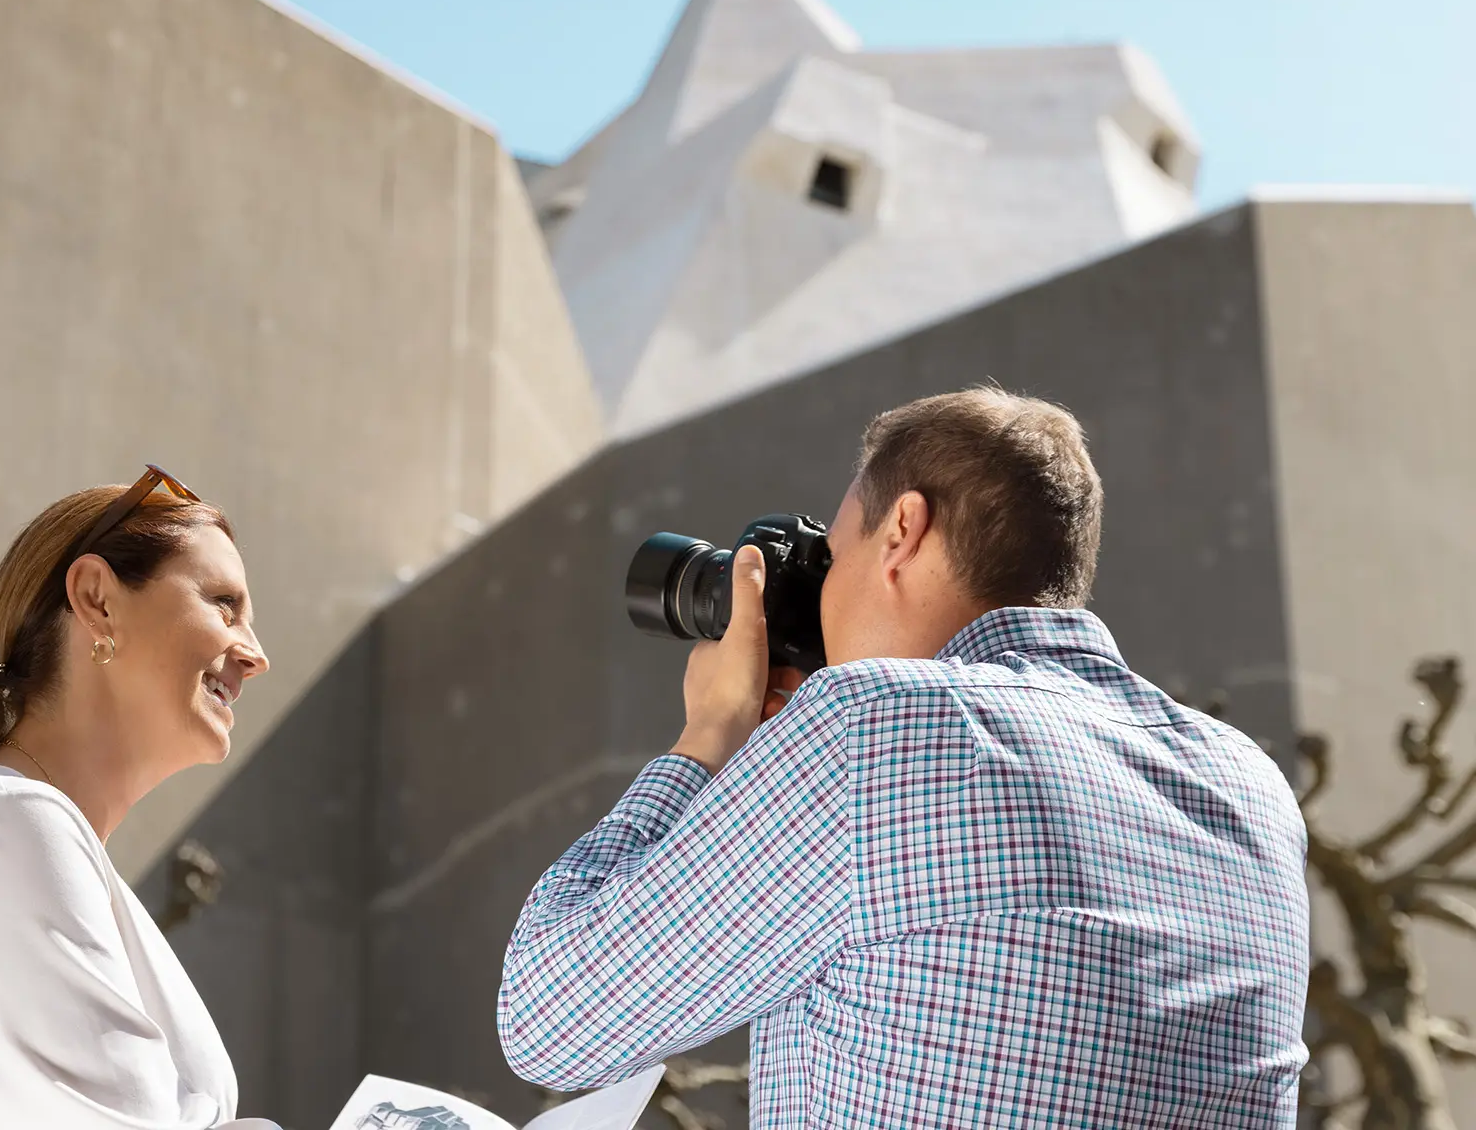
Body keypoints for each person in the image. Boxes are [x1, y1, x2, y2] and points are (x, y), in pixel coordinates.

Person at [496, 388, 1311, 1127]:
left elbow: (550, 1022)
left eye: (835, 556)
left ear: (903, 531)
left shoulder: (871, 726)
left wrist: (712, 732)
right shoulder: (1250, 785)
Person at [0, 467, 277, 1128]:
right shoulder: (7, 825)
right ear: (98, 599)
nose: (255, 654)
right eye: (224, 603)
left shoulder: (19, 829)